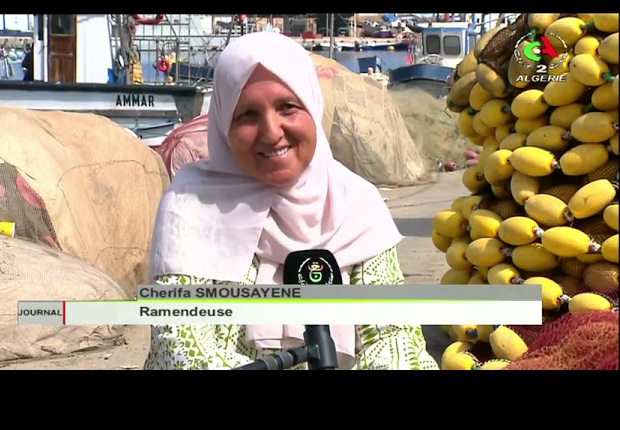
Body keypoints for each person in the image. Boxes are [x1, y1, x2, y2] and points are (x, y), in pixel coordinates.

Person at [144, 31, 439, 370]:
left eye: (288, 107)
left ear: (312, 107)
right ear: (224, 123)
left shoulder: (356, 205)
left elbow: (394, 335)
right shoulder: (191, 207)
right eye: (248, 115)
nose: (271, 132)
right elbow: (182, 348)